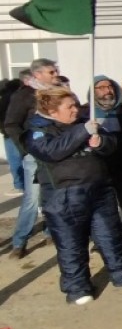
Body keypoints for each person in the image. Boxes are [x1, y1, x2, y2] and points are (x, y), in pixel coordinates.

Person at [26, 88, 122, 305]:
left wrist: (100, 142)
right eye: (69, 106)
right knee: (71, 243)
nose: (75, 109)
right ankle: (78, 287)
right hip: (64, 196)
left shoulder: (84, 120)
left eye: (75, 104)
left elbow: (111, 145)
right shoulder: (38, 130)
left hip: (99, 188)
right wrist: (82, 131)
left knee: (110, 235)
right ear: (52, 110)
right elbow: (52, 151)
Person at [4, 58, 58, 258]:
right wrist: (26, 147)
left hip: (57, 152)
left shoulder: (58, 91)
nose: (55, 75)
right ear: (37, 75)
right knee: (32, 199)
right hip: (34, 156)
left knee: (53, 196)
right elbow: (11, 124)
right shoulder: (25, 96)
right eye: (51, 72)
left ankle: (51, 232)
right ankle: (20, 242)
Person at [85, 76, 122, 243]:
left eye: (110, 86)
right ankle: (102, 239)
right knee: (101, 206)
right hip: (99, 168)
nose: (107, 90)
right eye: (101, 87)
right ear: (93, 92)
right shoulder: (87, 113)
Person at [0, 76, 24, 196]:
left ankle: (19, 185)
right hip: (18, 131)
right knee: (21, 158)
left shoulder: (6, 97)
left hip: (9, 133)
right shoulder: (19, 95)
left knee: (14, 160)